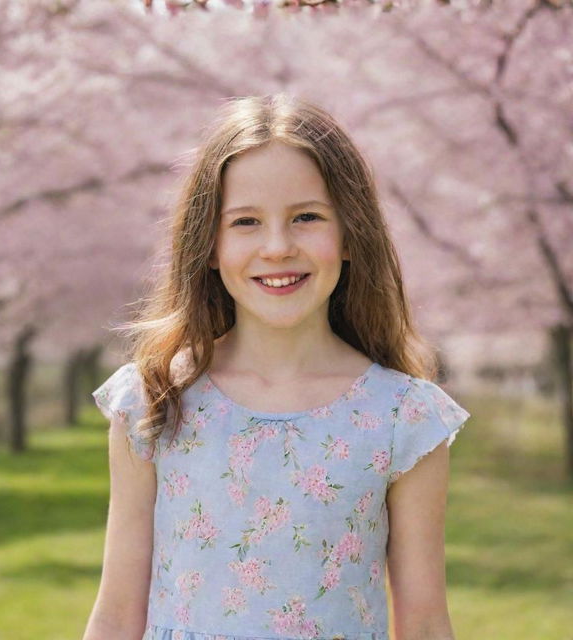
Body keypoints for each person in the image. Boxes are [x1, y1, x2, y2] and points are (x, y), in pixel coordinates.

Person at [83, 93, 471, 640]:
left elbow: (426, 623)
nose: (277, 247)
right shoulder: (154, 399)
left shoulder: (404, 419)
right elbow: (118, 613)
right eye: (245, 222)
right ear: (209, 245)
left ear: (350, 235)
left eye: (306, 217)